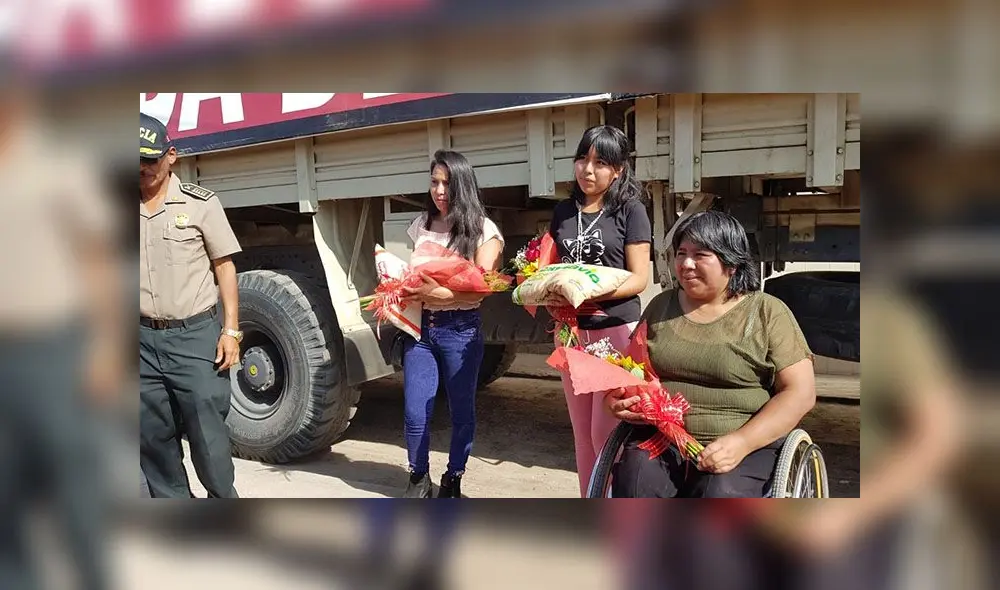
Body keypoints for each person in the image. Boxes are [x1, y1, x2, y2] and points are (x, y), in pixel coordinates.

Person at [606, 210, 816, 498]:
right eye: (681, 253)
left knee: (718, 492)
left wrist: (741, 443)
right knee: (636, 476)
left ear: (731, 264)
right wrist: (617, 400)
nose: (686, 264)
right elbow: (629, 371)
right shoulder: (660, 306)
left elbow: (800, 393)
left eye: (700, 254)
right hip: (663, 438)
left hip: (744, 444)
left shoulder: (767, 312)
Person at [139, 112, 243, 498]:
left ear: (171, 156)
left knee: (209, 441)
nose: (142, 169)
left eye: (149, 159)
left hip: (195, 338)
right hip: (141, 341)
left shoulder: (201, 204)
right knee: (153, 443)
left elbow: (225, 266)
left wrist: (231, 330)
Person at [547, 125, 652, 496]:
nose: (588, 170)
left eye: (601, 163)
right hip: (572, 333)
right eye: (583, 159)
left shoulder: (630, 210)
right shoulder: (562, 211)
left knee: (603, 434)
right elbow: (553, 267)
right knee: (580, 436)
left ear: (619, 170)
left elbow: (639, 278)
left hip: (614, 333)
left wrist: (590, 290)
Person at [398, 149, 504, 498]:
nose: (439, 191)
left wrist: (444, 296)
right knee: (416, 411)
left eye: (447, 183)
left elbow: (483, 287)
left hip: (461, 331)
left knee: (462, 412)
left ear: (463, 185)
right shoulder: (421, 226)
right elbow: (412, 274)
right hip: (421, 331)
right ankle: (417, 477)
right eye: (434, 182)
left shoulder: (483, 230)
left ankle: (453, 478)